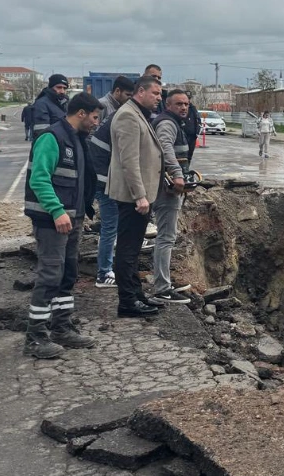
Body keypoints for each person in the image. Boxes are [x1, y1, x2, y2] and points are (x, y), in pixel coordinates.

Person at [22, 92, 102, 358]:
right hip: (53, 221)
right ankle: (35, 337)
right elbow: (39, 180)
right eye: (94, 117)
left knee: (67, 274)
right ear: (81, 113)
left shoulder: (77, 140)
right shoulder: (52, 138)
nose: (95, 123)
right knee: (50, 275)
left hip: (73, 218)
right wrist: (57, 211)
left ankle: (61, 327)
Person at [107, 76, 169, 317]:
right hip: (132, 197)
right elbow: (129, 161)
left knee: (132, 250)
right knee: (127, 250)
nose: (159, 98)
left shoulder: (137, 113)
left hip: (141, 195)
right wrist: (140, 196)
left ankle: (137, 294)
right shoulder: (127, 116)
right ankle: (127, 302)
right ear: (140, 91)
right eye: (155, 93)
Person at [89, 76, 144, 289]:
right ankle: (104, 273)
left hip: (105, 177)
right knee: (110, 227)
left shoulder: (121, 112)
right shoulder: (122, 115)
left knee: (112, 226)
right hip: (105, 180)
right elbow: (126, 156)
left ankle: (108, 269)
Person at [151, 89, 196, 305]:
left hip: (165, 187)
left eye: (186, 104)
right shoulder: (167, 123)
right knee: (166, 237)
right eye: (179, 104)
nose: (184, 107)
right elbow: (164, 147)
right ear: (168, 105)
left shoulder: (173, 122)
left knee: (167, 235)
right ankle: (162, 288)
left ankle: (164, 282)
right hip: (166, 189)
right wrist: (177, 174)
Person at [31, 73, 70, 139]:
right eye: (59, 87)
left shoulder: (65, 103)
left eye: (64, 88)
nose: (62, 91)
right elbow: (42, 132)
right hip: (50, 145)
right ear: (51, 87)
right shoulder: (41, 104)